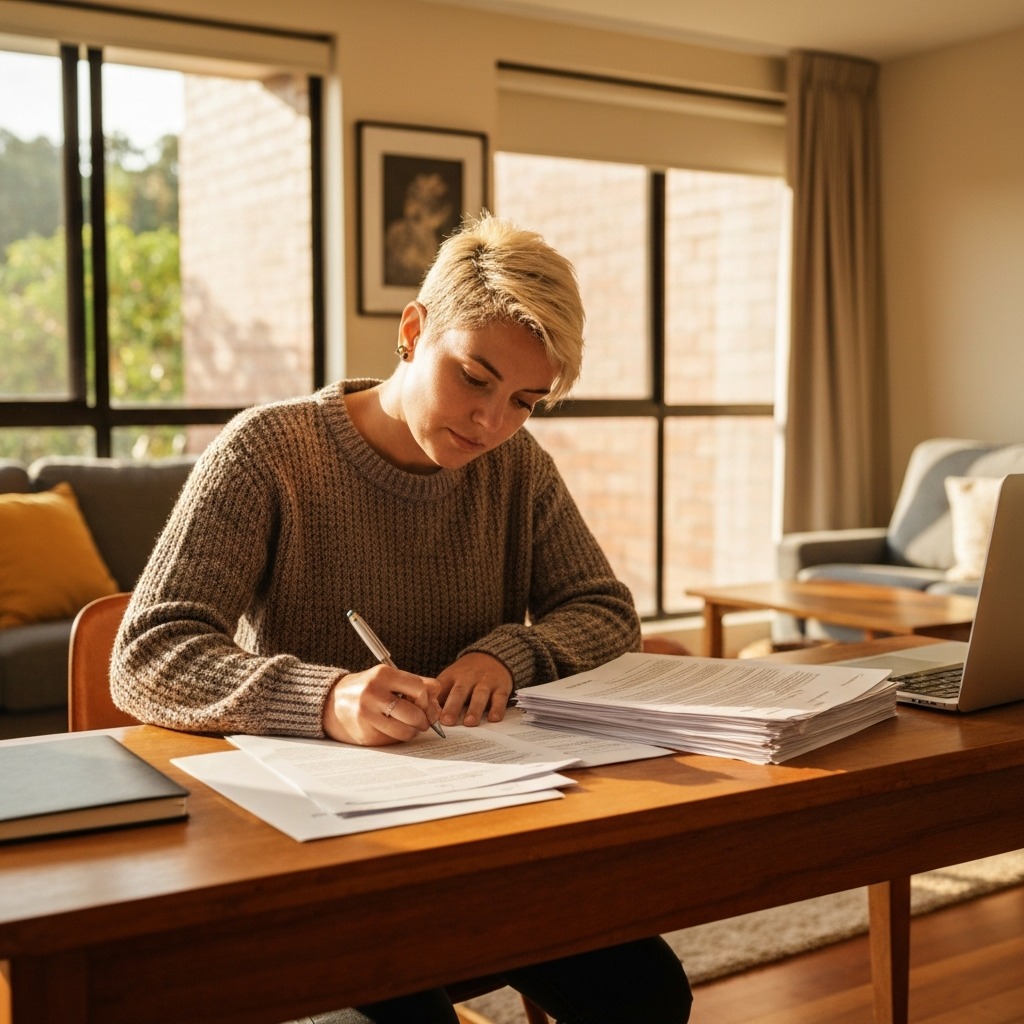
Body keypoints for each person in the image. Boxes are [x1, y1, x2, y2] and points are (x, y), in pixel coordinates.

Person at [111, 213, 693, 1024]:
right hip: (322, 851)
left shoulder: (516, 468)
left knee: (649, 994)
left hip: (480, 834)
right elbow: (147, 652)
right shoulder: (266, 452)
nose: (492, 421)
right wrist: (324, 699)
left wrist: (511, 655)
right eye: (475, 377)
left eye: (525, 400)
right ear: (413, 331)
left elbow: (602, 610)